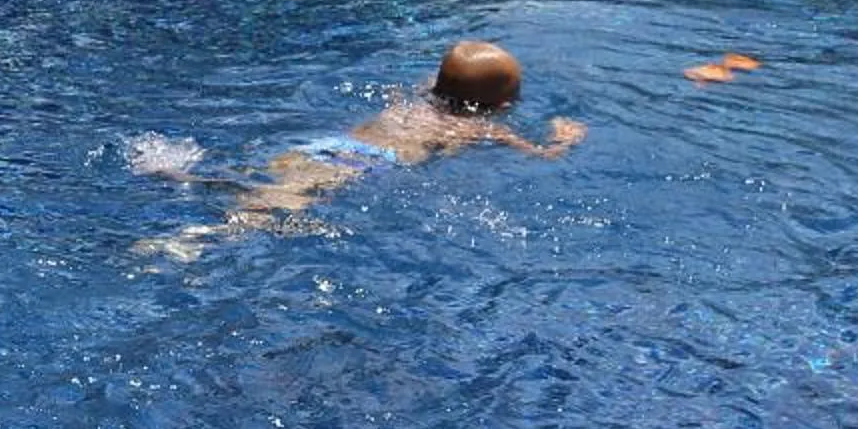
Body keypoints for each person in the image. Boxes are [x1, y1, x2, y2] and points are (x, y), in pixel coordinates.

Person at [128, 41, 582, 256]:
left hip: (331, 145)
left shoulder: (413, 101)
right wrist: (564, 137)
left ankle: (177, 173)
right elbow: (543, 155)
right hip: (363, 164)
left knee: (262, 178)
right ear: (502, 105)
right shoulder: (475, 129)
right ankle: (195, 241)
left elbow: (437, 86)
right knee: (271, 208)